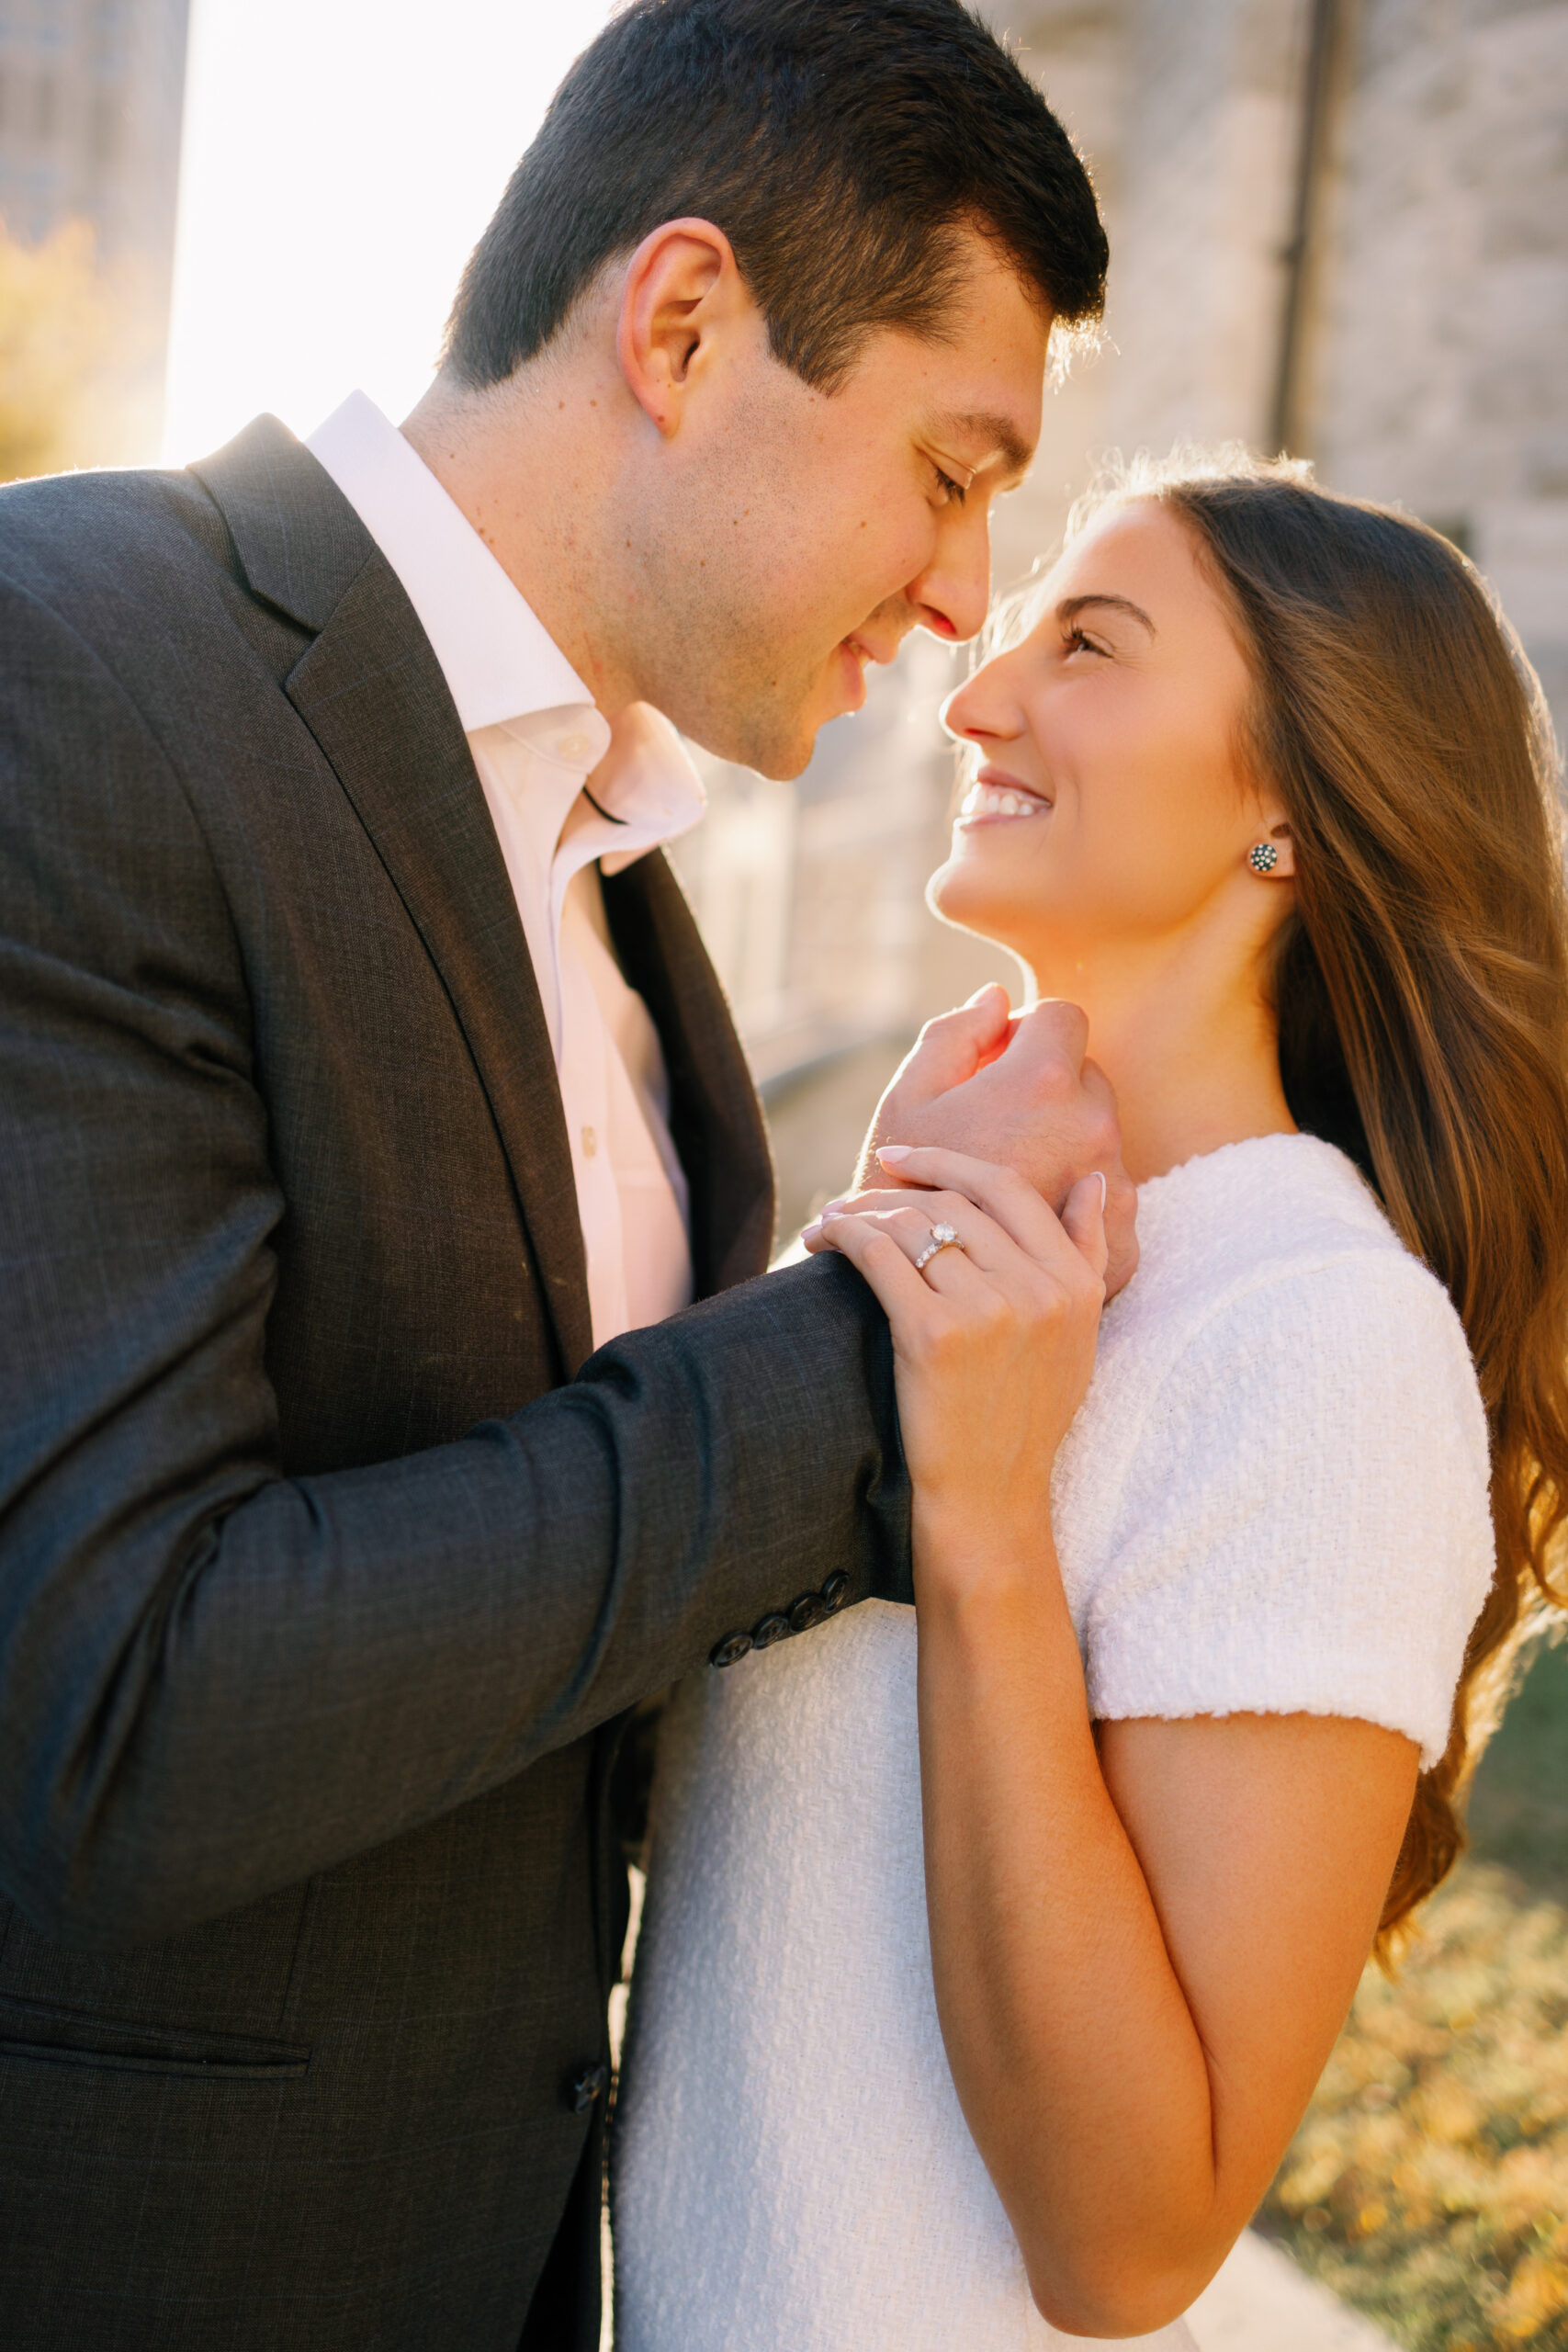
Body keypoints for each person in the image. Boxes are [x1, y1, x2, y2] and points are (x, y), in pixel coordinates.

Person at [0, 6, 1134, 2346]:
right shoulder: (69, 665)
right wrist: (872, 1328)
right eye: (946, 468)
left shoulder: (621, 881)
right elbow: (108, 1705)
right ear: (686, 323)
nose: (960, 596)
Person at [613, 452, 1568, 2348]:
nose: (973, 692)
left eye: (1089, 643)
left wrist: (980, 1519)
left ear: (1287, 806)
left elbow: (1130, 2240)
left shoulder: (1319, 1339)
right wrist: (847, 1293)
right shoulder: (956, 1246)